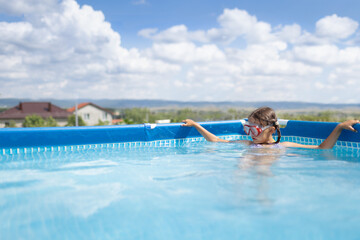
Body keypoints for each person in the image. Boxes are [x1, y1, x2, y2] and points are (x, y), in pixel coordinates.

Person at [181, 106, 359, 149]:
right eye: (248, 128)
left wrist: (339, 127)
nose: (250, 133)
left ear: (271, 130)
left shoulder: (283, 147)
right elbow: (217, 140)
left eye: (255, 129)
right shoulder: (248, 144)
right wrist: (196, 124)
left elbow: (321, 148)